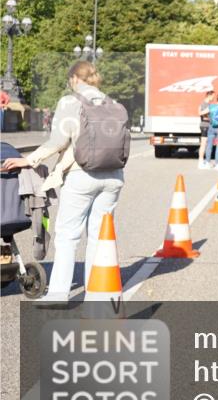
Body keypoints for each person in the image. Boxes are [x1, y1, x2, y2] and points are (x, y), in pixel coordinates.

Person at [1, 61, 126, 302]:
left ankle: (58, 293)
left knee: (67, 235)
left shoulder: (71, 101)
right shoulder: (112, 103)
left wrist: (29, 160)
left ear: (74, 79)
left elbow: (58, 141)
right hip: (113, 176)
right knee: (99, 237)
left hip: (82, 175)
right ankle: (97, 291)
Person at [204, 93, 218, 169]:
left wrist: (208, 117)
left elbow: (202, 113)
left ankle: (207, 162)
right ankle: (217, 164)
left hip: (211, 126)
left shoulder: (211, 106)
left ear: (217, 98)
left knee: (209, 145)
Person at [197, 91, 214, 170]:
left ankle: (201, 161)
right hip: (206, 126)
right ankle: (202, 162)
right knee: (204, 144)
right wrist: (210, 117)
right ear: (209, 96)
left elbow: (199, 112)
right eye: (212, 96)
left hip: (203, 125)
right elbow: (200, 113)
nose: (213, 98)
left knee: (204, 144)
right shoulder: (208, 105)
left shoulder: (201, 104)